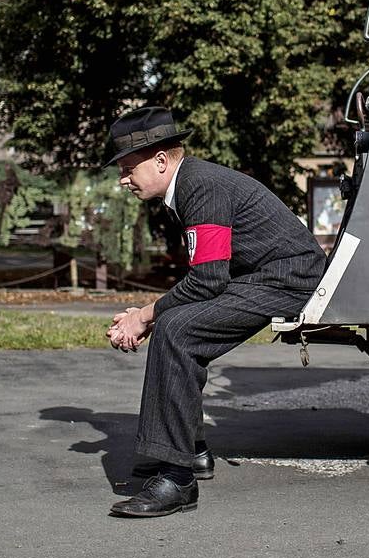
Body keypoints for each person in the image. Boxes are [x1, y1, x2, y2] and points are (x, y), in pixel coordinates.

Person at [104, 106, 327, 518]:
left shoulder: (200, 187)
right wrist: (151, 313)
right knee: (174, 324)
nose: (123, 179)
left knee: (177, 330)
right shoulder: (189, 185)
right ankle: (191, 451)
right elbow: (208, 275)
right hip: (265, 275)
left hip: (290, 278)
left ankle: (178, 479)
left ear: (160, 161)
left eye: (127, 167)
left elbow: (206, 280)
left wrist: (145, 315)